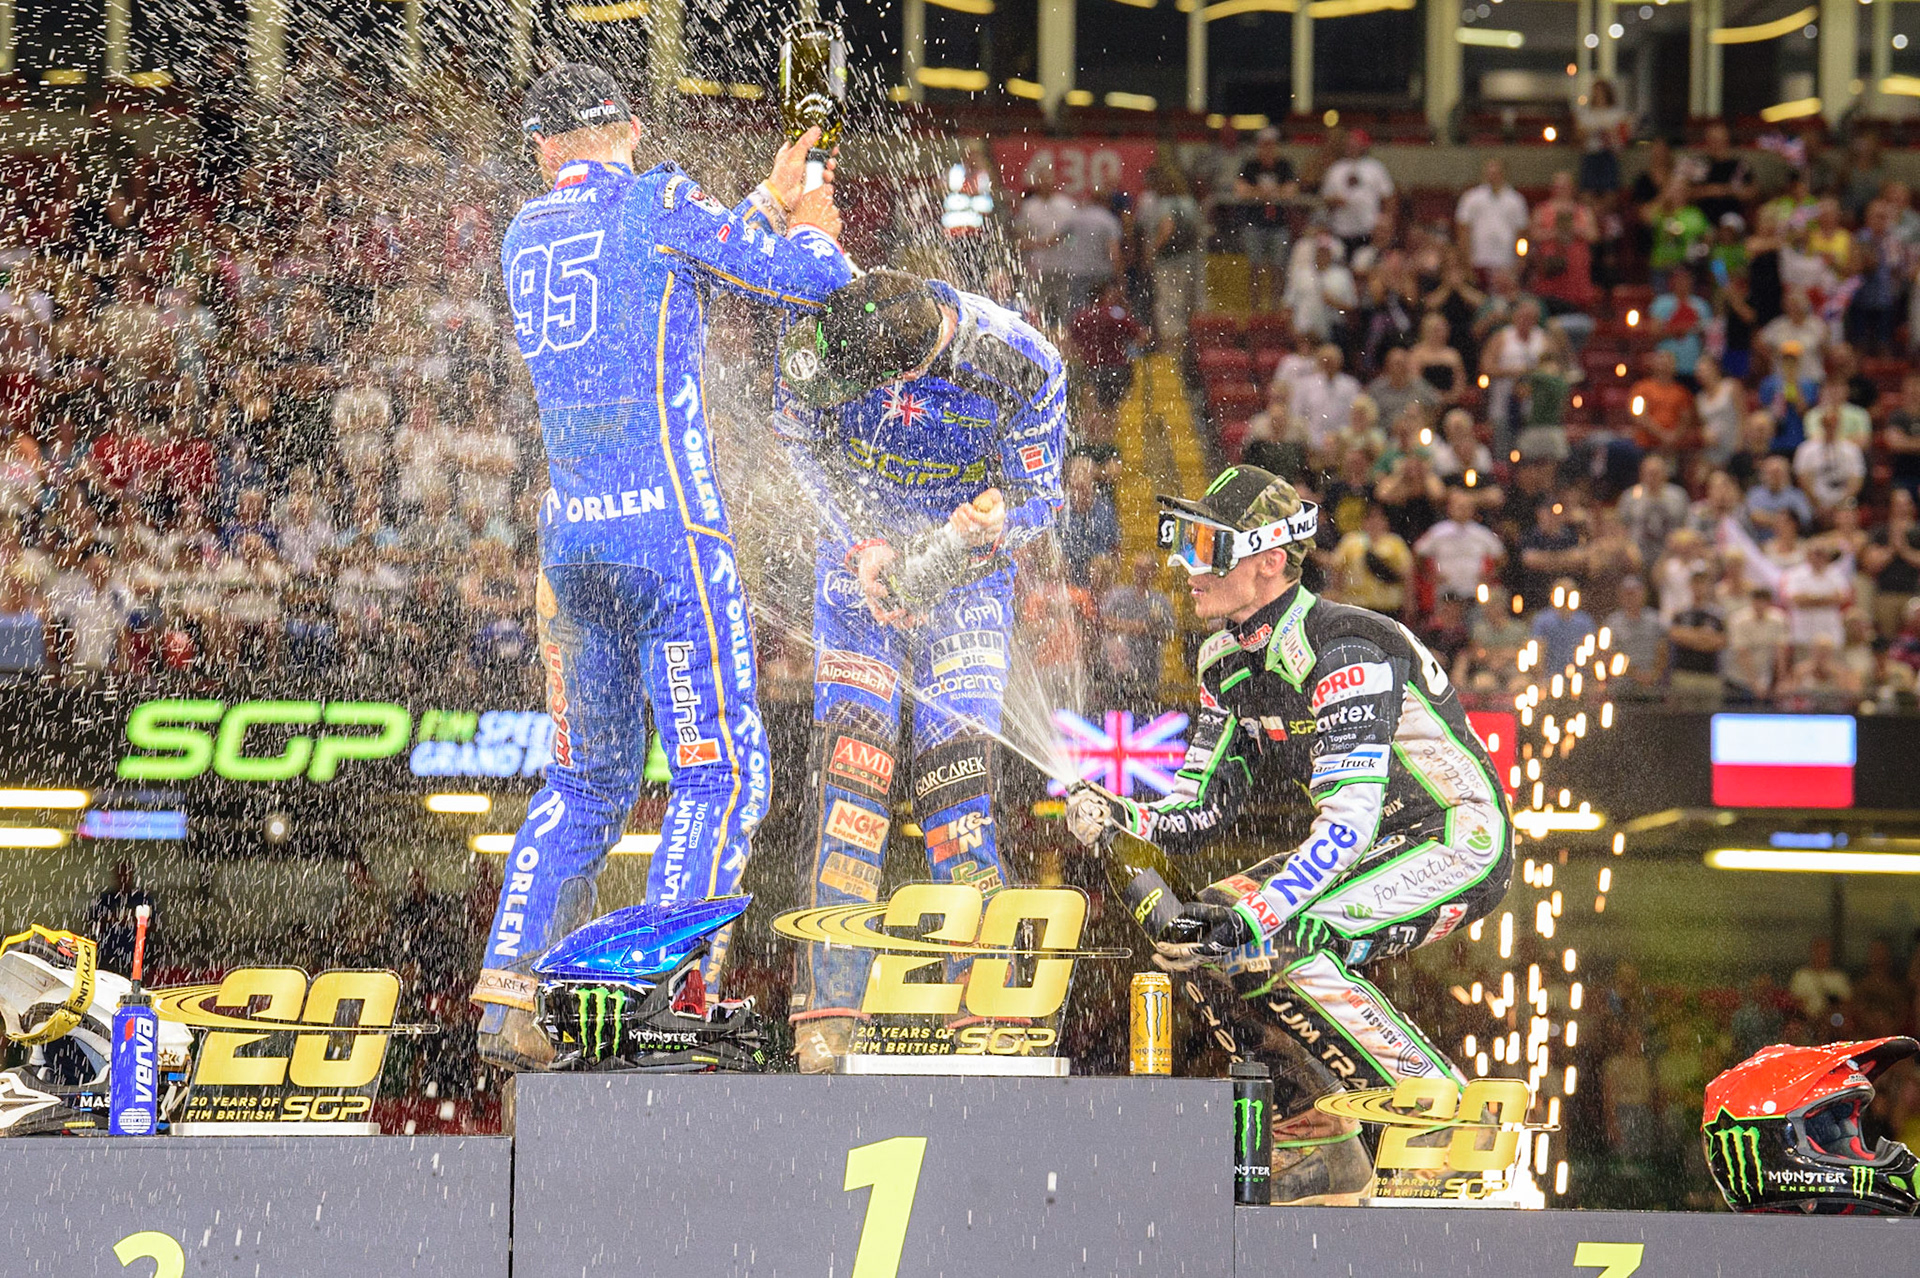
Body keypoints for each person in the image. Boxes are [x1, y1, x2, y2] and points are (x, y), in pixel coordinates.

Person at [470, 64, 852, 1070]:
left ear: (548, 147)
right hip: (667, 537)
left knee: (587, 779)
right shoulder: (658, 198)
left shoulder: (525, 231)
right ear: (632, 126)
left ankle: (510, 992)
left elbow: (664, 263)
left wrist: (765, 198)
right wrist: (810, 221)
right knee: (719, 769)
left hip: (572, 543)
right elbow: (811, 284)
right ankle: (654, 999)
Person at [1065, 465, 1513, 1205]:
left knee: (1269, 935)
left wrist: (1256, 917)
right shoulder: (1221, 660)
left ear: (1271, 558)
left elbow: (1346, 825)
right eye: (1186, 541)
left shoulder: (1348, 645)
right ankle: (1320, 1142)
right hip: (1370, 842)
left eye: (1208, 545)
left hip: (1455, 841)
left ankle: (1443, 1122)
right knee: (1199, 927)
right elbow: (1196, 811)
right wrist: (1117, 815)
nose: (1186, 564)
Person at [771, 268, 1066, 1073]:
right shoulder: (824, 321)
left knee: (956, 789)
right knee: (851, 782)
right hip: (854, 566)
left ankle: (986, 1010)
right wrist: (856, 542)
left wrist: (1002, 521)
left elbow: (1047, 496)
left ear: (907, 368)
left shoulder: (1022, 361)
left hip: (965, 575)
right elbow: (792, 435)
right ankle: (827, 1015)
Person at [1320, 129, 1395, 256]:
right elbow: (1325, 197)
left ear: (1364, 145)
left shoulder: (1375, 167)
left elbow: (1389, 196)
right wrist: (1335, 201)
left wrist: (1386, 220)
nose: (1351, 145)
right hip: (1341, 229)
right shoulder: (1336, 168)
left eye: (1355, 142)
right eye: (1349, 142)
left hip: (1368, 229)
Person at [1455, 158, 1529, 277]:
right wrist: (1466, 259)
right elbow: (1463, 230)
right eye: (1490, 173)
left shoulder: (1516, 200)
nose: (1493, 176)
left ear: (1504, 173)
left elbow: (1522, 234)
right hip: (1478, 259)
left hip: (1506, 260)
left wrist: (1521, 258)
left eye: (1496, 173)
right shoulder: (1471, 198)